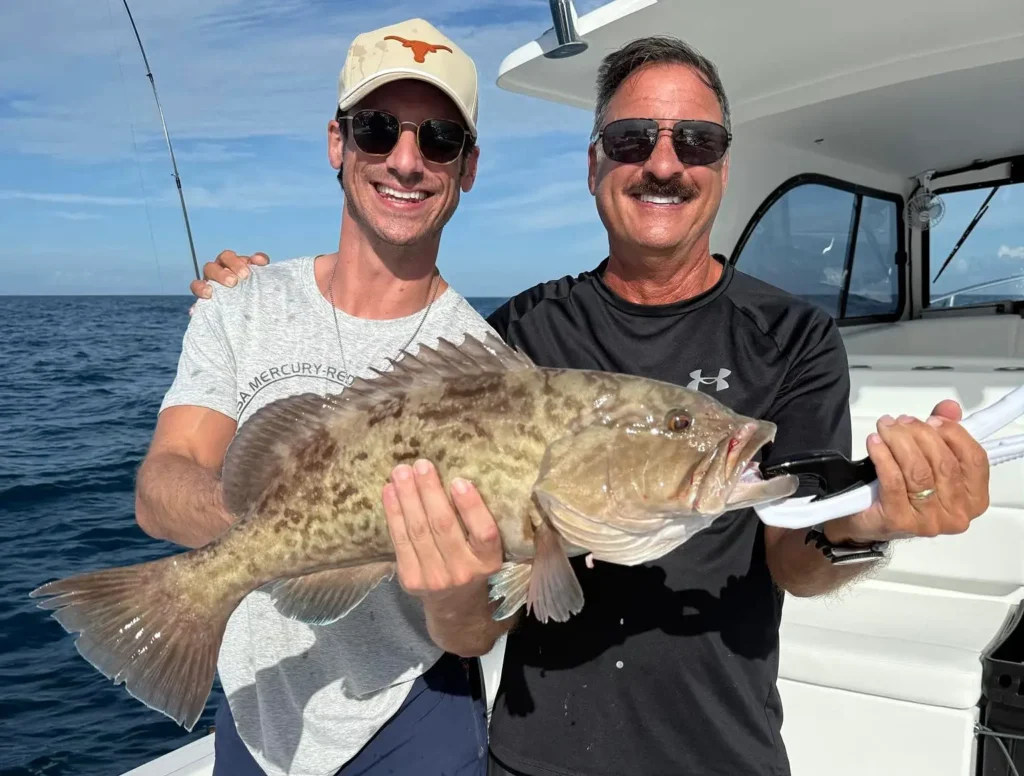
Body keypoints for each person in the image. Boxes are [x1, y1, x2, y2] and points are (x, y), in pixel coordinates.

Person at [192, 35, 991, 776]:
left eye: (698, 142)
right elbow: (478, 616)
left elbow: (793, 556)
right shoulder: (524, 331)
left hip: (724, 751)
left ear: (723, 162)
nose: (665, 164)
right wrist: (256, 300)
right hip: (531, 755)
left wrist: (868, 524)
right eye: (632, 140)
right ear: (594, 162)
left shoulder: (794, 337)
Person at [140, 18, 514, 776]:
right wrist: (299, 516)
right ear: (337, 143)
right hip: (252, 714)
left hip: (414, 708)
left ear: (468, 167)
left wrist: (444, 572)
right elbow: (159, 489)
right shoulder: (239, 304)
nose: (406, 161)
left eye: (439, 139)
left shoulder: (493, 374)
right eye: (378, 129)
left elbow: (472, 634)